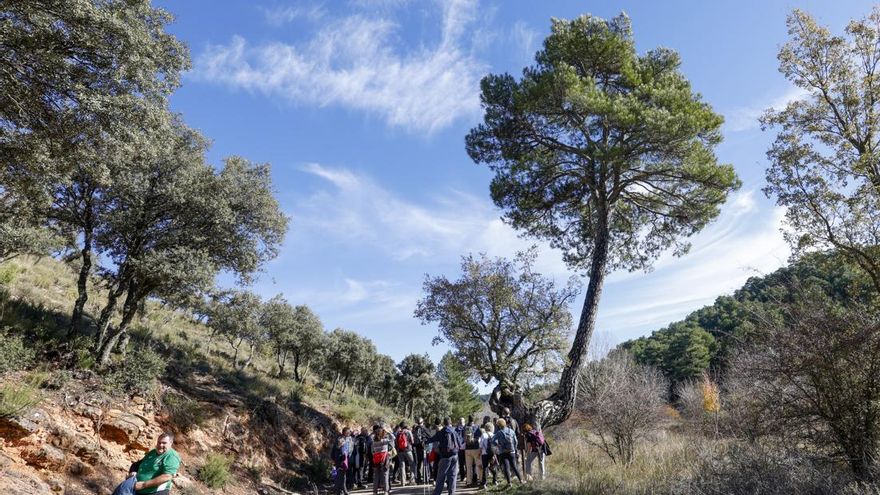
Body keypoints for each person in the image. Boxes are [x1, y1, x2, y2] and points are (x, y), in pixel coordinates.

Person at [113, 432, 181, 495]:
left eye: (164, 443)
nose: (160, 445)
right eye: (159, 442)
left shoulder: (172, 456)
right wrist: (133, 471)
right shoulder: (152, 452)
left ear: (170, 443)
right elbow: (137, 464)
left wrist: (144, 485)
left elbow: (167, 476)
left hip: (155, 492)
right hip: (136, 489)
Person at [428, 417, 464, 495]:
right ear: (450, 423)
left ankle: (437, 493)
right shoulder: (454, 431)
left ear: (444, 423)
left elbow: (432, 439)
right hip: (455, 456)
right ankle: (452, 493)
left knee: (441, 477)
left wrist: (425, 441)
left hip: (444, 457)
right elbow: (460, 443)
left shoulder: (441, 432)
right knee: (453, 476)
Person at [493, 418, 522, 487]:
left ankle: (509, 483)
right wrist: (514, 449)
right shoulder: (511, 431)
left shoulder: (499, 433)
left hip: (503, 452)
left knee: (506, 467)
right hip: (512, 451)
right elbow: (516, 441)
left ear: (499, 425)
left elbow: (492, 441)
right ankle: (521, 480)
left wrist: (498, 445)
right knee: (514, 466)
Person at [371, 424, 394, 495]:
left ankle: (375, 491)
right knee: (385, 475)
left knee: (376, 476)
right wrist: (388, 431)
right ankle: (385, 491)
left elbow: (372, 451)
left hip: (376, 460)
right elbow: (393, 438)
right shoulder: (384, 441)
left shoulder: (374, 442)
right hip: (384, 459)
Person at [393, 421, 416, 486]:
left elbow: (396, 443)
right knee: (412, 464)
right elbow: (412, 441)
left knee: (402, 466)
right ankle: (412, 481)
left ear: (400, 426)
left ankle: (403, 482)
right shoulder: (408, 432)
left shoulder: (398, 433)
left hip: (400, 451)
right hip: (408, 450)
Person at [331, 427, 351, 495]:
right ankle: (338, 491)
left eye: (349, 432)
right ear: (344, 432)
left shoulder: (340, 439)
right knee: (340, 476)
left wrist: (333, 459)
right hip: (341, 461)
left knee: (342, 476)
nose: (349, 433)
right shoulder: (342, 439)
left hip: (340, 460)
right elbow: (342, 451)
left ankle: (343, 491)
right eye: (348, 432)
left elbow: (333, 450)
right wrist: (341, 460)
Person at [463, 415, 481, 486]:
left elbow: (463, 437)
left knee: (468, 466)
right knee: (478, 465)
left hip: (467, 449)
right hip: (475, 448)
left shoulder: (465, 427)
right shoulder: (476, 427)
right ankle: (481, 480)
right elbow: (479, 436)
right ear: (473, 420)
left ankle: (469, 482)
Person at [478, 423, 497, 489]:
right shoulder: (494, 435)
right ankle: (495, 480)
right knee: (493, 467)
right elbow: (496, 445)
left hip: (484, 454)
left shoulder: (483, 435)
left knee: (485, 468)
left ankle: (484, 483)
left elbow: (480, 446)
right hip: (492, 453)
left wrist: (479, 454)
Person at [413, 417, 429, 484]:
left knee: (422, 464)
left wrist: (424, 440)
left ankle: (422, 479)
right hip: (420, 448)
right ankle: (421, 479)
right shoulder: (419, 429)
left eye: (420, 423)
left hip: (421, 448)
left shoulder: (420, 429)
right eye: (419, 423)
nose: (419, 424)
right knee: (421, 464)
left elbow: (429, 436)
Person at [455, 418, 467, 482]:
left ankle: (467, 476)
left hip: (466, 448)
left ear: (464, 422)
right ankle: (462, 477)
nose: (461, 423)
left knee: (467, 463)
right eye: (460, 422)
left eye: (462, 422)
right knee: (461, 463)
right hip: (459, 449)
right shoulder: (456, 429)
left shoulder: (466, 428)